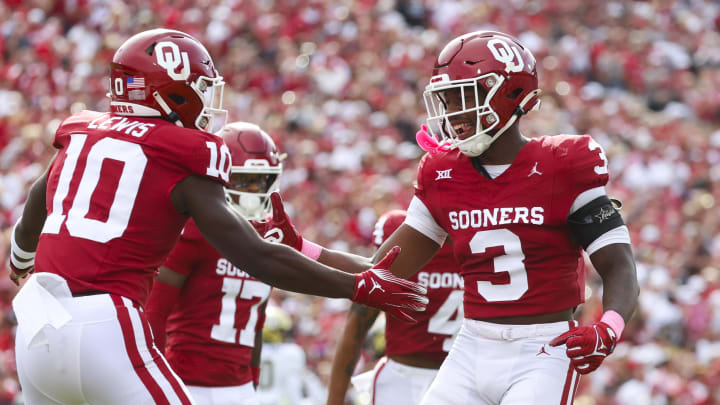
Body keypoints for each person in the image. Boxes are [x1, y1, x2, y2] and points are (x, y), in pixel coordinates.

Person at [7, 29, 427, 405]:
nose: (208, 102)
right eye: (201, 89)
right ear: (171, 93)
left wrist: (20, 261)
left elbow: (34, 206)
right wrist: (356, 286)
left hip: (38, 327)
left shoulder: (81, 134)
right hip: (107, 326)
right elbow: (257, 256)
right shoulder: (183, 153)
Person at [262, 31, 639, 405]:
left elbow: (618, 263)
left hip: (544, 348)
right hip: (472, 345)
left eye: (465, 95)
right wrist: (302, 248)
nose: (454, 111)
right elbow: (382, 270)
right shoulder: (443, 174)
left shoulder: (564, 164)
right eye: (448, 98)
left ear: (510, 92)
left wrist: (609, 326)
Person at [144, 122, 284, 405]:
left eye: (263, 182)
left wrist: (252, 381)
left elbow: (257, 320)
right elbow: (154, 313)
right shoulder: (196, 230)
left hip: (241, 388)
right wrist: (155, 385)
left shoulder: (273, 233)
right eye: (246, 181)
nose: (256, 192)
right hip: (187, 383)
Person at [327, 210, 463, 405]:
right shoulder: (404, 232)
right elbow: (356, 327)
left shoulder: (485, 237)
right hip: (402, 378)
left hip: (460, 378)